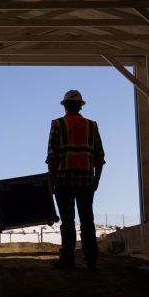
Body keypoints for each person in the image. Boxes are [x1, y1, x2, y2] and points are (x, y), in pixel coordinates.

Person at [46, 90, 105, 270]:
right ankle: (91, 260)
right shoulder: (91, 126)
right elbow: (99, 157)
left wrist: (52, 181)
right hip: (86, 180)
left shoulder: (58, 124)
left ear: (64, 106)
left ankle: (68, 260)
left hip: (63, 181)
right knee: (87, 220)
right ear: (80, 106)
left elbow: (52, 156)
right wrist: (96, 180)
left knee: (68, 221)